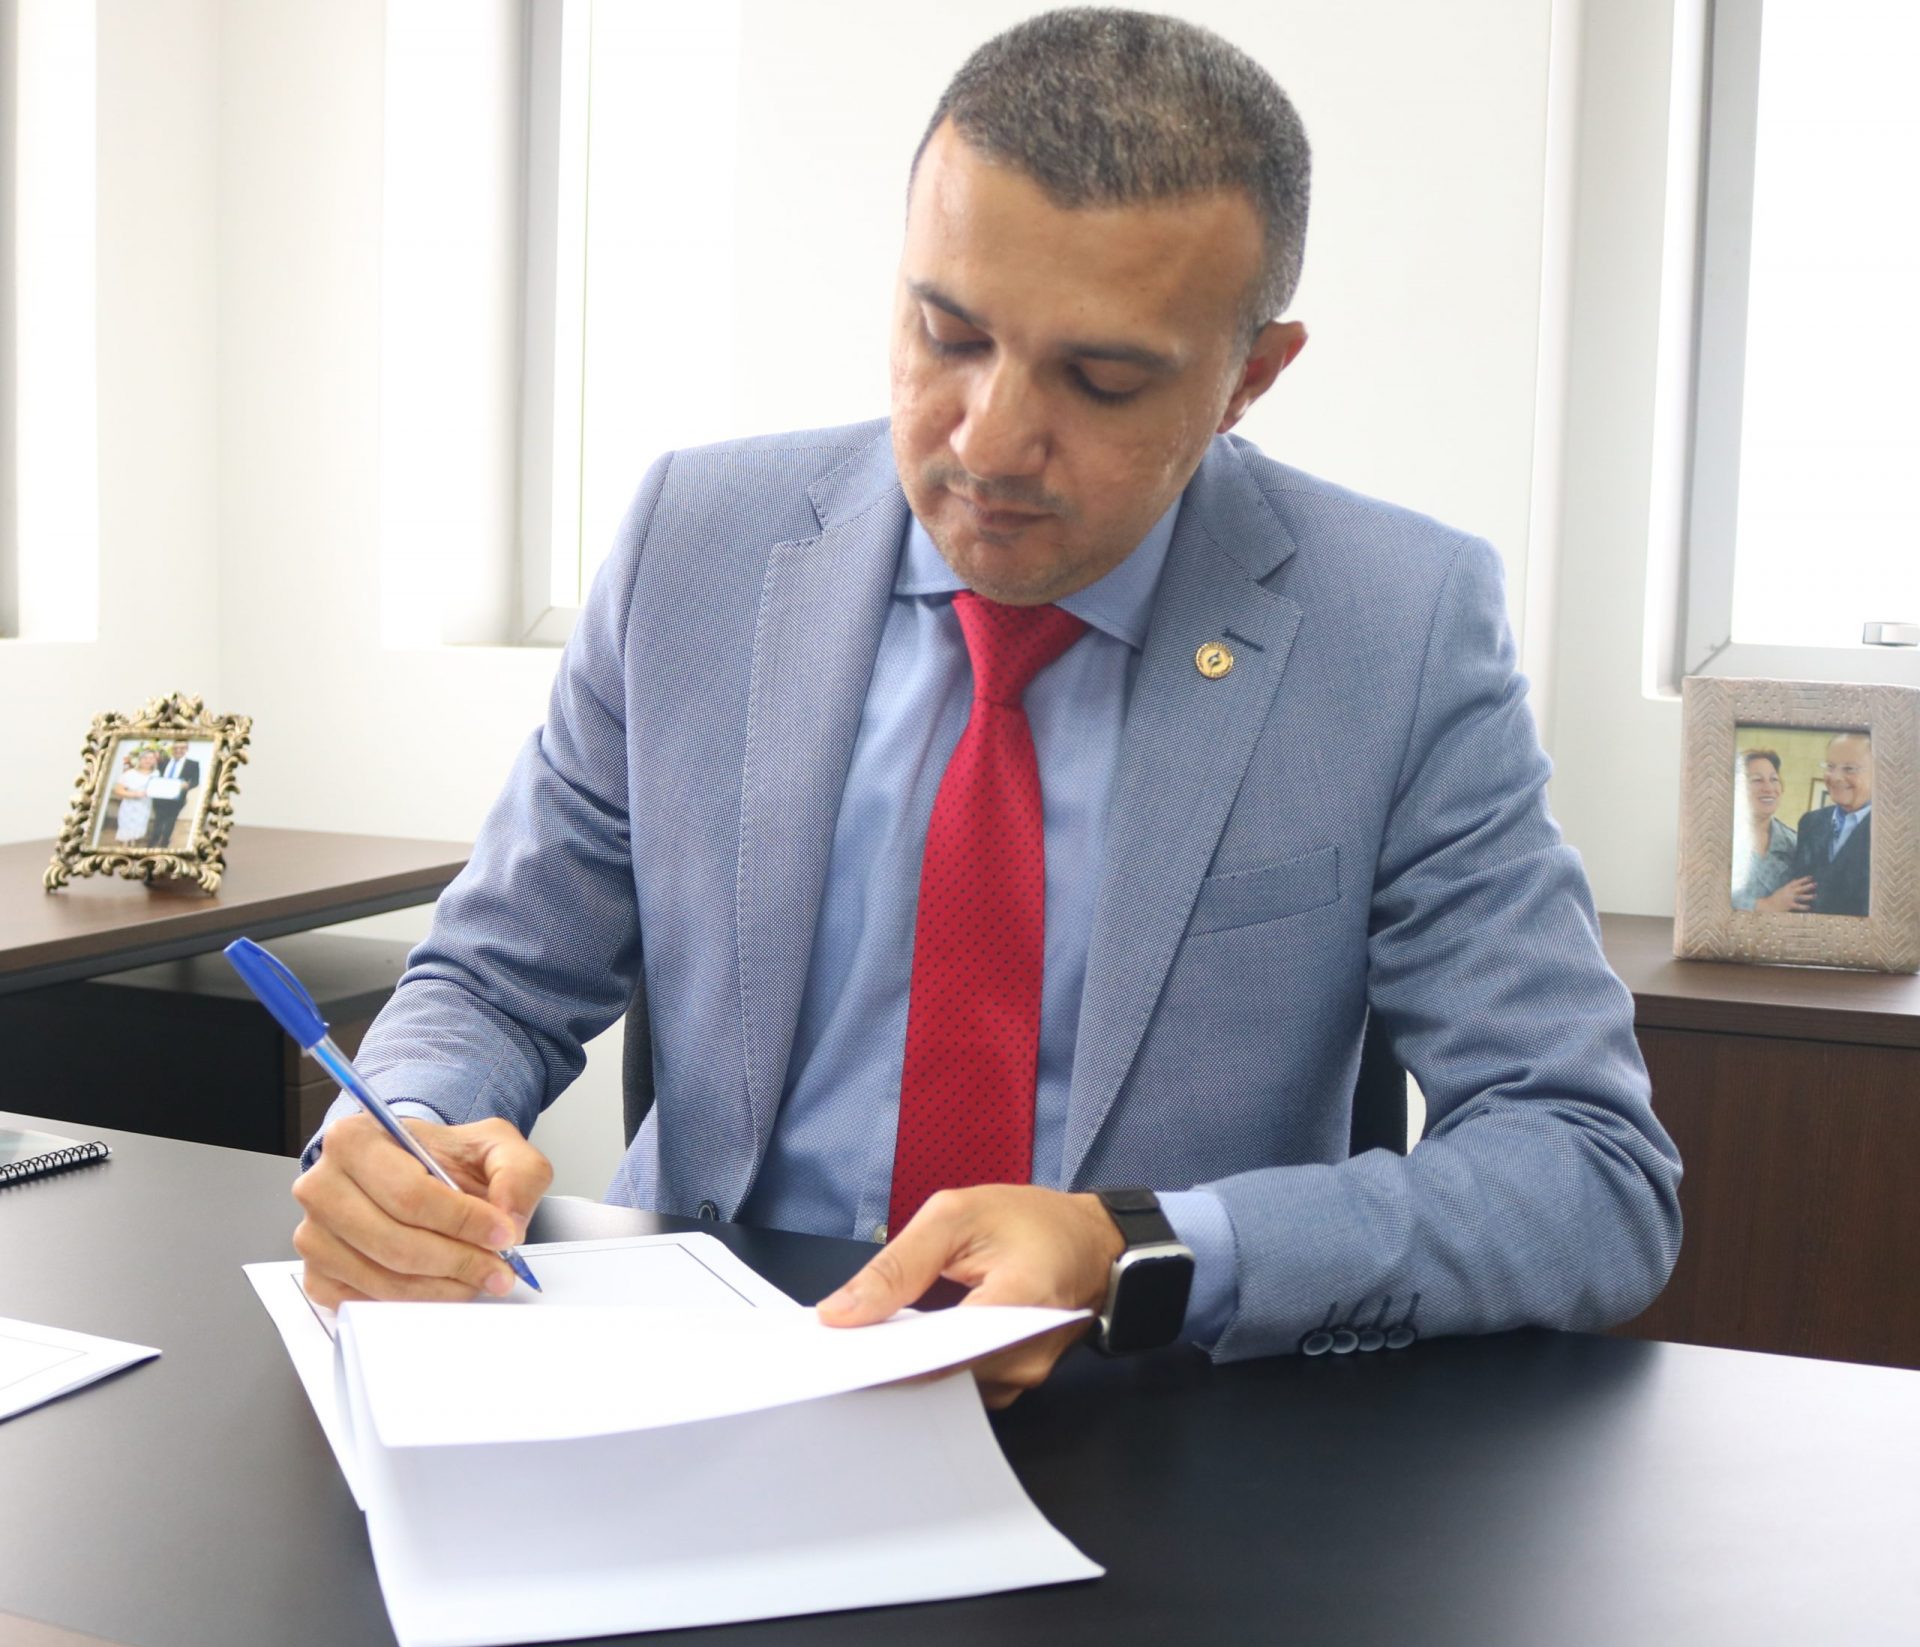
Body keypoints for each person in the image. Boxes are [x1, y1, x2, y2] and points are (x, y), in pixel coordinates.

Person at [291, 9, 1680, 1404]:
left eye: (1102, 379)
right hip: (714, 1375)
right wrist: (406, 1129)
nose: (991, 439)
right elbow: (497, 975)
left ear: (1249, 377)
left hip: (1142, 1421)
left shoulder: (1396, 624)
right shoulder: (697, 542)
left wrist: (1142, 1249)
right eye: (947, 334)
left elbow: (1589, 1169)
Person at [1768, 732, 1873, 917]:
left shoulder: (1895, 832)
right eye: (1830, 766)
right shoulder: (1810, 822)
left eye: (1849, 768)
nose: (1836, 777)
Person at [1731, 748, 1801, 911]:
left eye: (1774, 779)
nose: (1768, 788)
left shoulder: (1794, 843)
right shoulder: (1718, 837)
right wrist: (1764, 905)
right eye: (1757, 780)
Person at [143, 740, 203, 850]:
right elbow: (154, 774)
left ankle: (164, 843)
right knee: (158, 820)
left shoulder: (193, 764)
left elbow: (196, 781)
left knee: (170, 821)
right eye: (175, 748)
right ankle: (153, 841)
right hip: (160, 797)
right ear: (172, 749)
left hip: (177, 799)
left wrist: (188, 785)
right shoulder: (163, 762)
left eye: (182, 748)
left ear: (186, 749)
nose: (178, 750)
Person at [111, 748, 161, 845]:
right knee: (126, 830)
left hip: (144, 806)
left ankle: (133, 845)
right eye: (145, 758)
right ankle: (125, 847)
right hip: (129, 806)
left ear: (155, 760)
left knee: (138, 829)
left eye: (151, 758)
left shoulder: (156, 773)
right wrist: (134, 794)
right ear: (140, 759)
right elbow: (118, 790)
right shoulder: (129, 773)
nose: (148, 760)